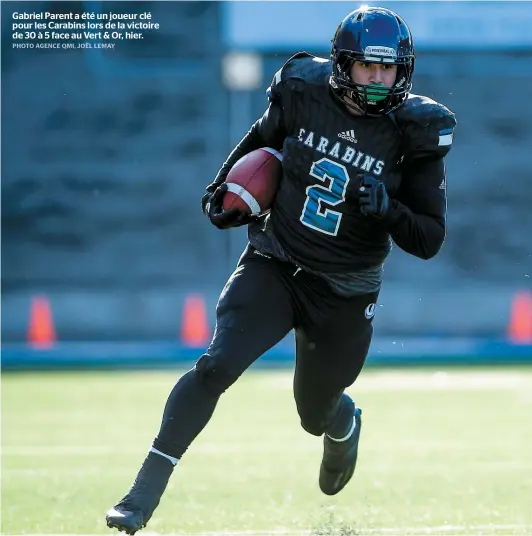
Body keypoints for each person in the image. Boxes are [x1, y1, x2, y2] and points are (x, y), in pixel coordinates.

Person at [106, 6, 456, 534]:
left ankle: (342, 421)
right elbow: (259, 146)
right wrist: (225, 193)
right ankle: (141, 496)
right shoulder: (301, 90)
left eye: (389, 69)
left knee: (312, 413)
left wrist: (388, 209)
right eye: (368, 67)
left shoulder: (415, 131)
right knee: (216, 366)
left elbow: (428, 239)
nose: (380, 79)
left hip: (343, 289)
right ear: (343, 65)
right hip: (278, 260)